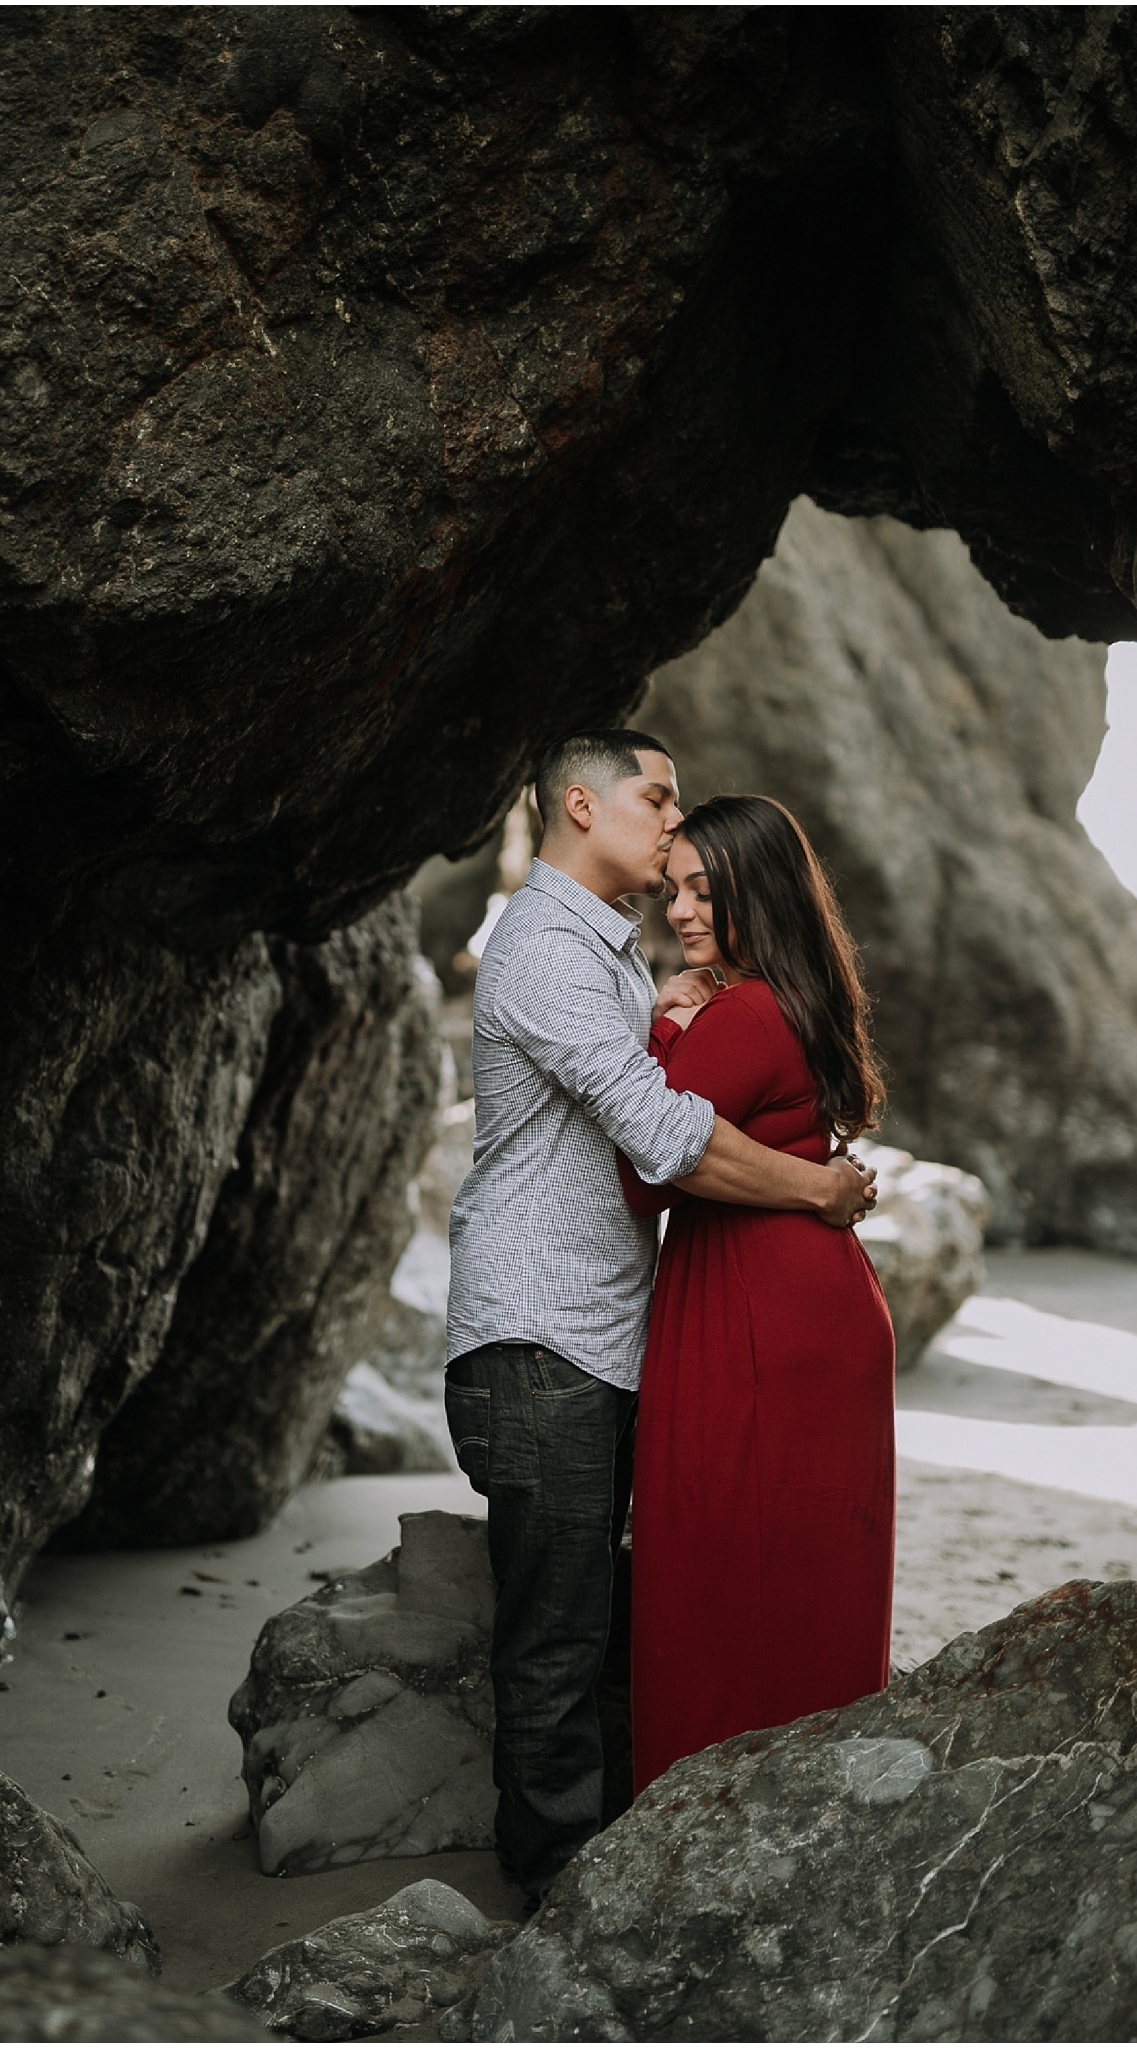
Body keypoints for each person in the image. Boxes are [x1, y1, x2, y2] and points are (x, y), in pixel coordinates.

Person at [444, 732, 878, 1907]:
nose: (672, 820)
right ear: (581, 804)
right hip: (541, 1335)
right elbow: (663, 1136)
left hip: (606, 1333)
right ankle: (556, 1891)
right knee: (559, 1636)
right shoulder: (544, 949)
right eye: (657, 796)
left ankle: (626, 1858)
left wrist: (671, 1008)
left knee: (614, 1620)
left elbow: (671, 1087)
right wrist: (819, 1188)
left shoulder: (614, 959)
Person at [618, 794, 896, 1796]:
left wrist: (664, 1026)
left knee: (718, 1568)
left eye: (705, 888)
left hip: (755, 1316)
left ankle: (702, 1813)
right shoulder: (798, 994)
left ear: (755, 889)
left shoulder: (740, 1011)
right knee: (807, 1576)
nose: (681, 910)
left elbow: (649, 1169)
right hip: (811, 1303)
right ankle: (806, 1803)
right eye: (674, 888)